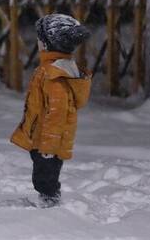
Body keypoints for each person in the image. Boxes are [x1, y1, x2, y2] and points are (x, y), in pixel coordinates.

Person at [10, 14, 92, 207]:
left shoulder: (54, 74)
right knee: (44, 175)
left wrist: (48, 147)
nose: (38, 43)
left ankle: (50, 204)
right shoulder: (52, 69)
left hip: (48, 142)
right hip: (43, 138)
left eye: (40, 39)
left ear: (48, 44)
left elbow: (57, 113)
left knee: (45, 178)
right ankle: (49, 200)